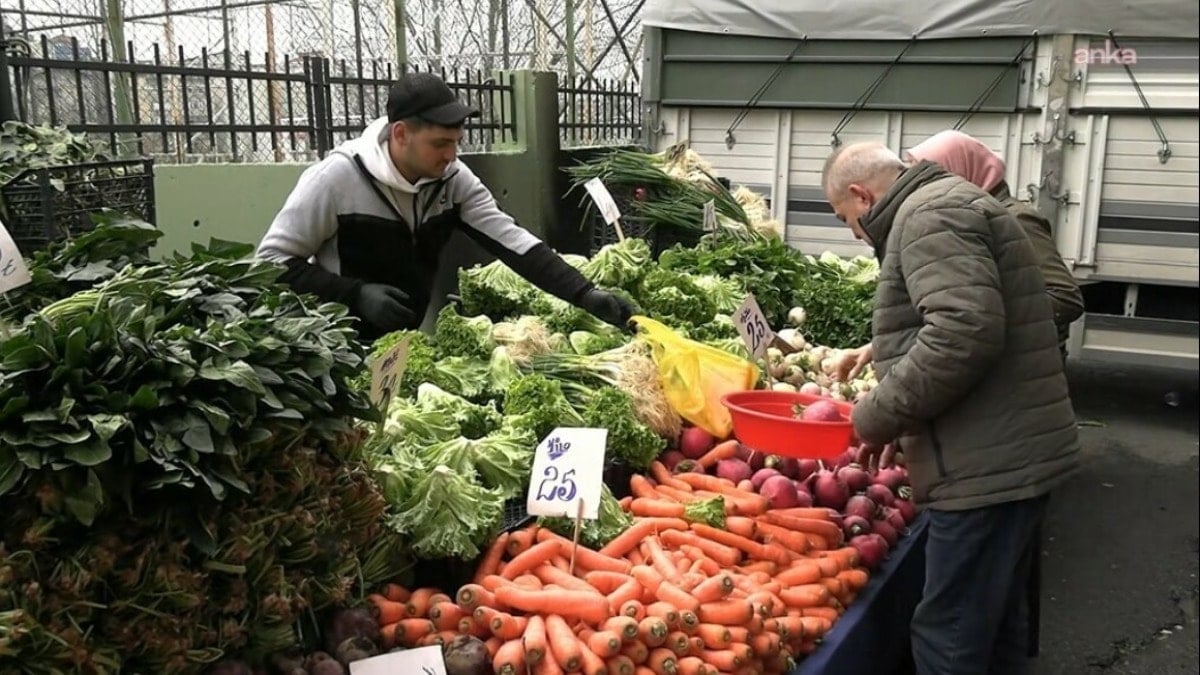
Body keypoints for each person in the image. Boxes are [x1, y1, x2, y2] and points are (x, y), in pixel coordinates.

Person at [821, 141, 1080, 675]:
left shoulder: (927, 215)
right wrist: (909, 414)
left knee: (949, 633)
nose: (853, 233)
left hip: (986, 465)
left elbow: (963, 333)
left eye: (847, 219)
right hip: (1004, 450)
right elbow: (961, 324)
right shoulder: (945, 202)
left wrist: (875, 414)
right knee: (998, 618)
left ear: (860, 194)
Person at [256, 71, 633, 340]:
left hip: (405, 344)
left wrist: (585, 294)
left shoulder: (453, 179)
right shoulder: (336, 179)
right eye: (440, 143)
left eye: (456, 142)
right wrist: (355, 294)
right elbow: (269, 264)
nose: (452, 155)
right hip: (338, 345)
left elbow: (514, 242)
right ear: (401, 134)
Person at [834, 130, 1085, 380]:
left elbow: (1065, 296)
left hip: (1023, 371)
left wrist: (987, 315)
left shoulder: (1015, 218)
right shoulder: (959, 223)